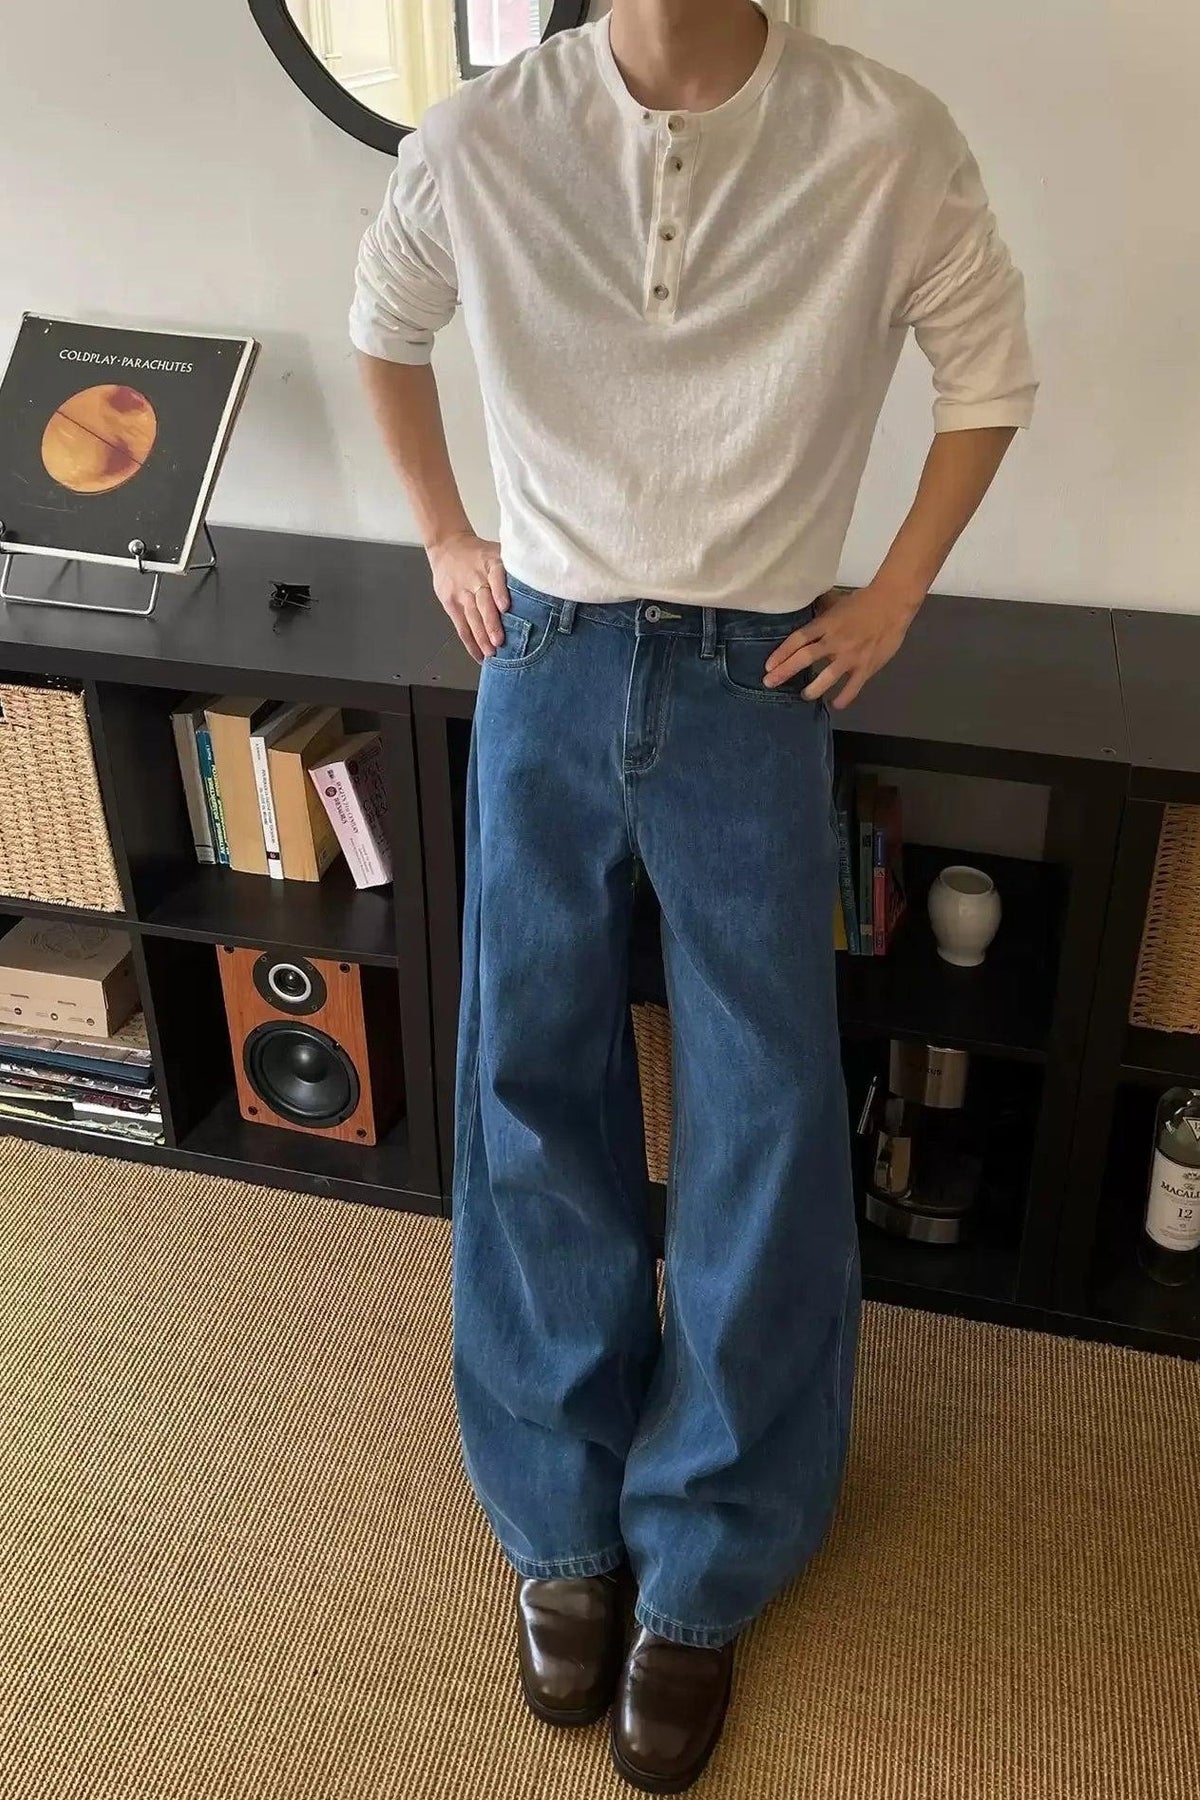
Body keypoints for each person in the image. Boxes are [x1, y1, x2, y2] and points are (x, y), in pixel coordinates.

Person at [350, 0, 1037, 1789]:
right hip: (547, 658)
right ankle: (559, 1514)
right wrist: (445, 533)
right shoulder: (485, 134)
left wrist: (894, 592)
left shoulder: (883, 135)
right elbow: (384, 321)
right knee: (527, 1077)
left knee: (766, 1108)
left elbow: (989, 375)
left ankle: (712, 1544)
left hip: (757, 676)